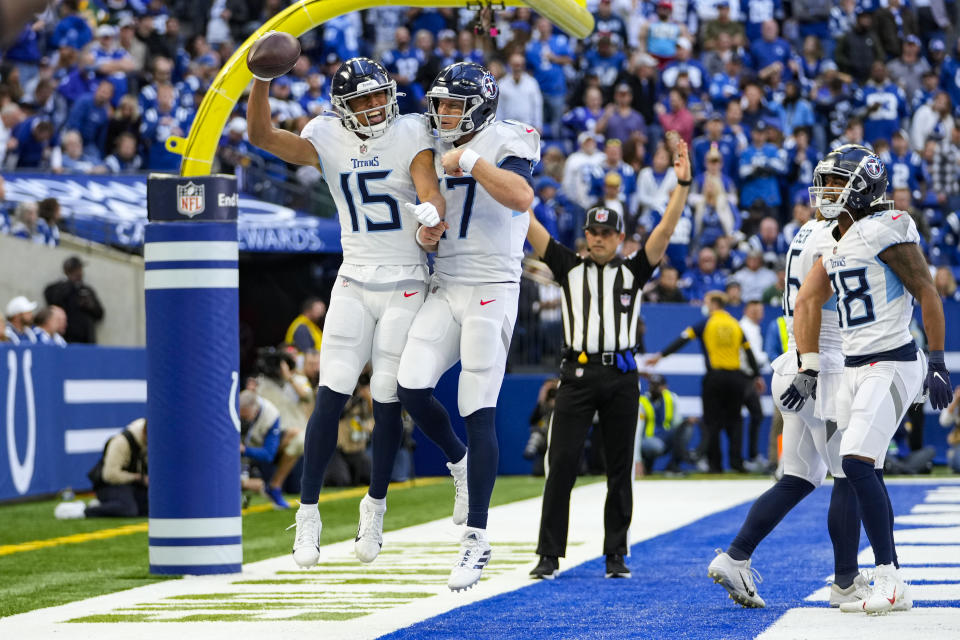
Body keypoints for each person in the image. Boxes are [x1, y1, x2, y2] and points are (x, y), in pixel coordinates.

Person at [245, 54, 447, 568]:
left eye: (381, 94)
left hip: (404, 281)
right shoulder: (326, 135)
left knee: (385, 397)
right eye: (364, 98)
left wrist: (430, 219)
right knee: (329, 396)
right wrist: (261, 79)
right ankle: (308, 514)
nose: (376, 105)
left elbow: (430, 195)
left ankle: (374, 507)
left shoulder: (410, 133)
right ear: (344, 107)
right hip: (354, 281)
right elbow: (263, 137)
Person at [394, 61, 539, 592]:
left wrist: (473, 159)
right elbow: (436, 211)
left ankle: (476, 539)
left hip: (493, 287)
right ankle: (457, 462)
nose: (443, 113)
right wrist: (427, 234)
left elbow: (521, 198)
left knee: (477, 406)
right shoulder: (434, 145)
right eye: (441, 104)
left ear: (479, 105)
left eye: (453, 105)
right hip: (446, 281)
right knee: (408, 387)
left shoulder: (513, 138)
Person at [788, 144, 952, 613]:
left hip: (893, 361)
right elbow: (809, 300)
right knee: (866, 469)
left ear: (863, 185)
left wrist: (938, 362)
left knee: (855, 461)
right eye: (827, 182)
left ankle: (890, 576)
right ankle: (888, 580)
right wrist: (809, 362)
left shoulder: (888, 227)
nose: (828, 191)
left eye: (837, 182)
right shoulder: (834, 237)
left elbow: (927, 291)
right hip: (855, 367)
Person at [525, 137, 692, 581]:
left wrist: (683, 184)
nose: (597, 240)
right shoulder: (566, 265)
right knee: (561, 464)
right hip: (576, 375)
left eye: (606, 234)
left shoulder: (632, 270)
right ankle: (548, 553)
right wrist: (503, 177)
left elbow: (665, 232)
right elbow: (526, 221)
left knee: (621, 468)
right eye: (592, 233)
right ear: (585, 235)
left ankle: (615, 554)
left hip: (620, 374)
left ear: (619, 237)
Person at [707, 192, 867, 609]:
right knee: (849, 475)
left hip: (794, 369)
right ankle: (847, 581)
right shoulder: (833, 237)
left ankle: (736, 556)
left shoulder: (805, 231)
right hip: (821, 373)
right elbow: (812, 303)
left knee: (799, 477)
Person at [647, 291, 764, 473]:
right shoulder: (735, 324)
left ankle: (715, 464)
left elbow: (683, 339)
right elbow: (748, 353)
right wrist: (756, 376)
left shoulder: (706, 323)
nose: (705, 305)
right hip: (736, 378)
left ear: (713, 304)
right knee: (735, 421)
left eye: (707, 302)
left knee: (712, 423)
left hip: (715, 378)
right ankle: (736, 463)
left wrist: (660, 355)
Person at [56, 418, 149, 519]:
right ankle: (84, 511)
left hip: (132, 485)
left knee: (150, 507)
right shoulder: (122, 442)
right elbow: (110, 475)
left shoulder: (147, 442)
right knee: (128, 509)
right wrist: (139, 478)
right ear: (144, 433)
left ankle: (107, 505)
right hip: (109, 485)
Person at [238, 390, 305, 509]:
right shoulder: (230, 409)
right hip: (233, 456)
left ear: (256, 411)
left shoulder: (270, 414)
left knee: (300, 439)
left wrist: (244, 450)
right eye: (241, 416)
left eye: (246, 417)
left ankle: (274, 487)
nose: (244, 420)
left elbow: (268, 455)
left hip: (255, 449)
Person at [636, 374, 693, 475]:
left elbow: (677, 423)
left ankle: (673, 466)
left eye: (658, 385)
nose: (654, 388)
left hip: (666, 437)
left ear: (665, 387)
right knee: (656, 446)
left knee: (686, 428)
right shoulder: (642, 402)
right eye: (652, 385)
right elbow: (637, 433)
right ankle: (647, 465)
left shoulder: (671, 398)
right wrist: (637, 459)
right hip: (649, 440)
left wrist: (686, 422)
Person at [43, 256, 104, 344]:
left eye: (80, 269)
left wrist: (90, 305)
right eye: (75, 270)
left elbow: (100, 314)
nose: (79, 272)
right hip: (66, 340)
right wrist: (70, 284)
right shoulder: (55, 288)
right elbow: (53, 302)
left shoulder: (87, 290)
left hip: (87, 341)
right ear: (66, 271)